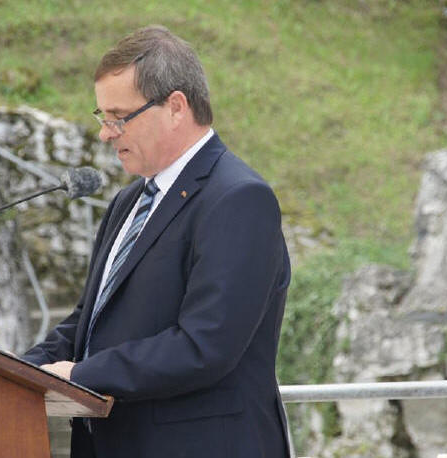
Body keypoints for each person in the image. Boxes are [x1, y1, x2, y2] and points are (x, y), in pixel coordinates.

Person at [22, 25, 291, 458]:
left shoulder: (239, 199)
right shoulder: (128, 202)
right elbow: (87, 324)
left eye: (118, 117)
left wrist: (82, 375)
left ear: (176, 107)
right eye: (102, 117)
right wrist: (16, 371)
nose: (106, 133)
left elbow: (205, 346)